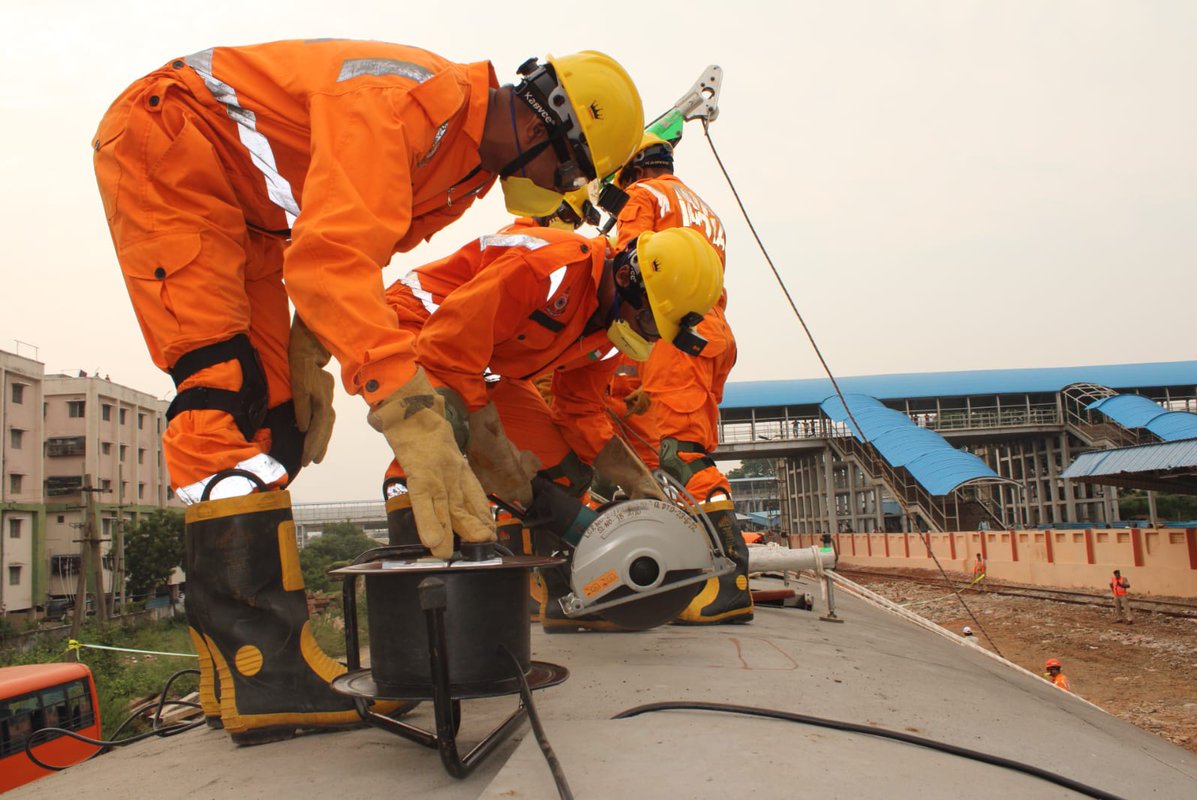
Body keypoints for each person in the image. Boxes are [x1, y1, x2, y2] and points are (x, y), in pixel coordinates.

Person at [93, 39, 643, 744]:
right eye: (568, 168)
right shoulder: (407, 110)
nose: (560, 185)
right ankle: (267, 670)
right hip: (171, 144)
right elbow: (331, 261)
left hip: (253, 216)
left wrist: (306, 351)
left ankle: (232, 675)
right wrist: (406, 408)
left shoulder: (463, 169)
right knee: (221, 394)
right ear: (543, 127)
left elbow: (347, 241)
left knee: (275, 427)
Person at [378, 223, 724, 632]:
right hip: (420, 329)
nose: (647, 336)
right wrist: (491, 443)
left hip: (482, 363)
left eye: (657, 331)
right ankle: (416, 623)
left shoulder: (613, 328)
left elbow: (579, 409)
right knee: (443, 438)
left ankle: (568, 596)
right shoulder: (549, 269)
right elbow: (448, 348)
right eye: (650, 323)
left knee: (563, 471)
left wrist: (637, 480)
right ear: (627, 277)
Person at [613, 133, 748, 625]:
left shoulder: (643, 197)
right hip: (712, 333)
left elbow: (626, 261)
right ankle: (689, 567)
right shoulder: (701, 207)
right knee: (662, 453)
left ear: (631, 169)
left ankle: (730, 584)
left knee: (679, 454)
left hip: (674, 332)